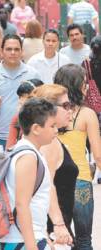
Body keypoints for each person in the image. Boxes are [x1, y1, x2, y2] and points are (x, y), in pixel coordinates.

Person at [0, 98, 57, 249]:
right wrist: (31, 244)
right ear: (36, 128)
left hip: (24, 237)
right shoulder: (28, 157)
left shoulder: (25, 150)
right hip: (21, 240)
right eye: (52, 126)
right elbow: (22, 204)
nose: (56, 130)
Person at [54, 64, 101, 249]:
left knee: (57, 237)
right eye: (84, 84)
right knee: (84, 240)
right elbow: (98, 154)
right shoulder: (86, 114)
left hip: (55, 182)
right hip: (80, 180)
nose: (87, 87)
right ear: (76, 86)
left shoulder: (49, 112)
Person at [33, 84, 78, 243]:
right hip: (52, 228)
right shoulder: (48, 143)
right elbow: (48, 184)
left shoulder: (49, 138)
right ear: (49, 109)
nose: (70, 110)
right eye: (65, 106)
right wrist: (58, 225)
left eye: (70, 105)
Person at [6, 79, 43, 149]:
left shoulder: (47, 119)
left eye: (30, 97)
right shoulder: (17, 118)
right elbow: (9, 148)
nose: (22, 101)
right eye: (20, 97)